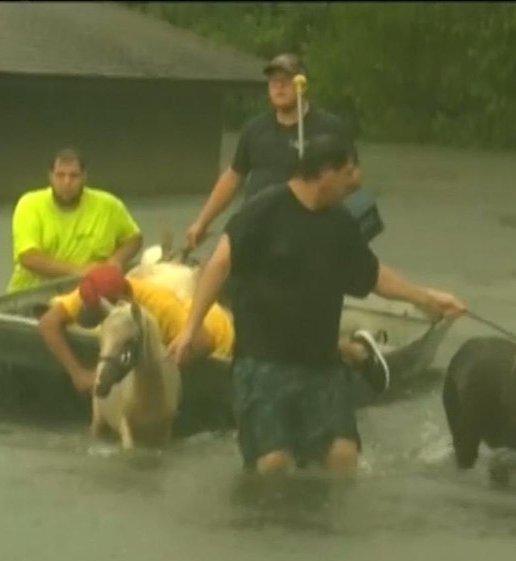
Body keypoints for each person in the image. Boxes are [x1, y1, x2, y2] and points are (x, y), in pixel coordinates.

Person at [168, 133, 466, 481]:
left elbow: (372, 275)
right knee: (274, 465)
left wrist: (427, 299)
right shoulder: (263, 211)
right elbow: (218, 265)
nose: (353, 183)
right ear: (325, 172)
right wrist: (190, 329)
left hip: (321, 364)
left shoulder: (340, 223)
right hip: (263, 362)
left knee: (343, 457)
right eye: (347, 173)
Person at [184, 52, 387, 394]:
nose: (278, 87)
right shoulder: (255, 130)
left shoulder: (328, 129)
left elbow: (353, 178)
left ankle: (353, 352)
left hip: (304, 237)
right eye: (273, 81)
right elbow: (233, 177)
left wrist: (315, 173)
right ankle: (236, 358)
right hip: (257, 233)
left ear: (302, 84)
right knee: (229, 290)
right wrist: (202, 221)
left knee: (299, 319)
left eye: (285, 80)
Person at [38, 264, 234, 394]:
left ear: (122, 302)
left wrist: (153, 370)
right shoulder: (95, 290)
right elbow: (48, 323)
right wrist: (77, 373)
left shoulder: (161, 307)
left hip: (217, 335)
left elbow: (204, 343)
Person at [7, 148, 143, 293]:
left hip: (91, 294)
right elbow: (28, 257)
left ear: (84, 177)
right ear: (50, 177)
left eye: (74, 176)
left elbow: (134, 238)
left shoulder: (109, 205)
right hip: (32, 296)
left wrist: (116, 261)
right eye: (60, 175)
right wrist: (80, 271)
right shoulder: (29, 204)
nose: (67, 182)